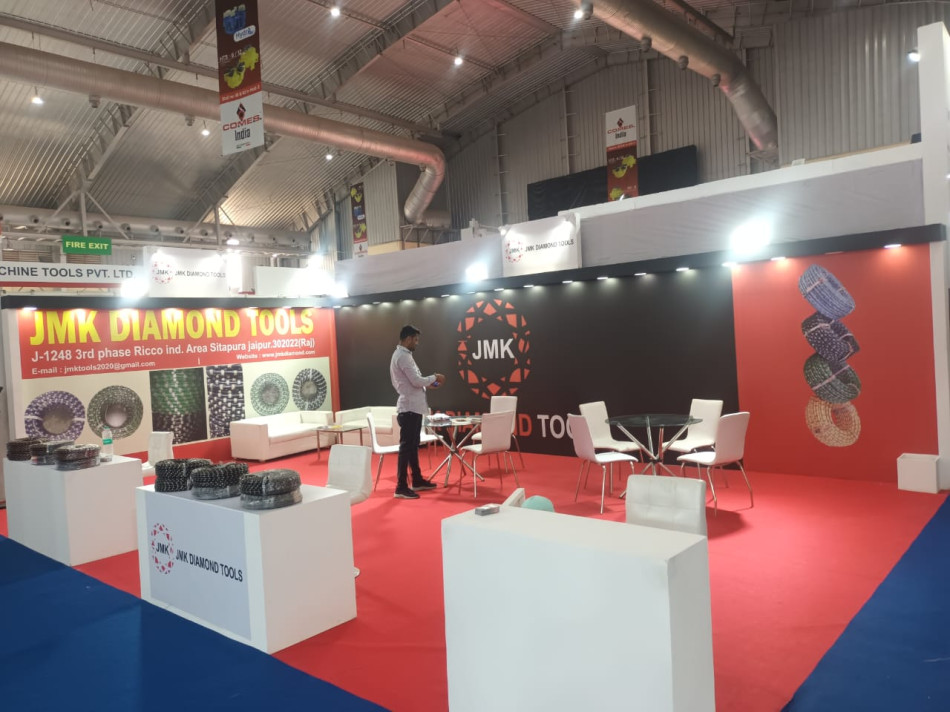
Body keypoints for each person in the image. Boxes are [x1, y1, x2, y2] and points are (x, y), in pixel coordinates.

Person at [389, 325, 445, 499]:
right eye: (415, 339)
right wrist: (435, 377)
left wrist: (429, 383)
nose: (417, 343)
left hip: (412, 408)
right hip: (409, 409)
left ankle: (417, 480)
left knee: (412, 447)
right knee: (406, 448)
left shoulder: (403, 355)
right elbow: (415, 380)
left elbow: (415, 382)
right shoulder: (403, 356)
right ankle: (401, 486)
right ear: (407, 339)